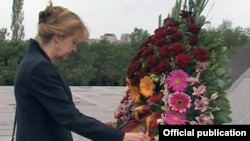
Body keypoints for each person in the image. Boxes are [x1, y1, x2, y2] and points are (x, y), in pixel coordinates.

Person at [13, 1, 151, 141]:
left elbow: (55, 114)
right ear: (58, 37)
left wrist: (101, 128)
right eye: (73, 42)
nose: (75, 49)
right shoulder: (40, 69)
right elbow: (70, 118)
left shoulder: (33, 62)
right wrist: (121, 137)